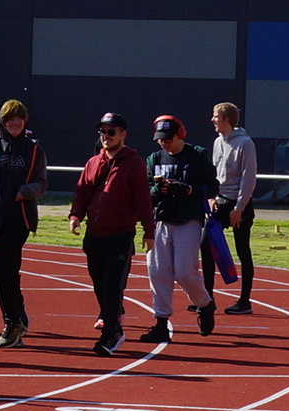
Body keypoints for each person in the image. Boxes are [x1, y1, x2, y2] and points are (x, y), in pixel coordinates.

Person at [67, 113, 150, 354]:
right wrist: (75, 216)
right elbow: (82, 192)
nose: (106, 136)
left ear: (123, 134)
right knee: (99, 285)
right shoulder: (93, 162)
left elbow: (143, 200)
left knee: (113, 287)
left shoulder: (134, 164)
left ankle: (110, 334)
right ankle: (113, 326)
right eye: (102, 131)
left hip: (120, 235)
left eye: (111, 131)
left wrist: (149, 231)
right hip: (94, 234)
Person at [141, 116, 219, 345]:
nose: (164, 143)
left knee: (185, 271)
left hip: (188, 219)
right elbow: (146, 190)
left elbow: (212, 187)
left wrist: (186, 190)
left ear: (180, 135)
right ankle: (161, 322)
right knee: (157, 271)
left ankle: (205, 304)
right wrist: (158, 190)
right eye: (160, 139)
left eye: (168, 139)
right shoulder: (154, 158)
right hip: (162, 220)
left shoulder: (196, 155)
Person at [0, 102, 44, 344]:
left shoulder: (34, 150)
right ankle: (14, 318)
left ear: (25, 120)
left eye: (18, 118)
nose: (14, 123)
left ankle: (13, 322)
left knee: (2, 269)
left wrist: (25, 191)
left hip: (18, 219)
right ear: (2, 122)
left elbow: (42, 183)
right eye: (9, 119)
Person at [205, 102, 260, 317]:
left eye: (215, 116)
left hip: (239, 204)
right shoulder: (217, 142)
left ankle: (244, 300)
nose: (212, 120)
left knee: (242, 249)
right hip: (220, 201)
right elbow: (214, 174)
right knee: (206, 244)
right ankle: (207, 298)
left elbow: (248, 178)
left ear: (226, 119)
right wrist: (211, 197)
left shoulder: (245, 144)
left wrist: (239, 208)